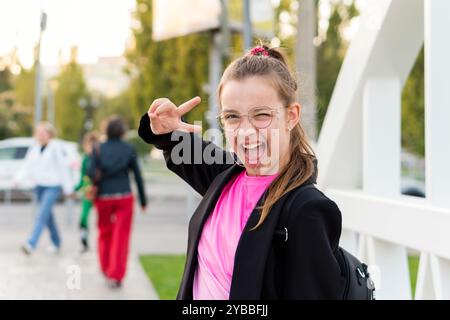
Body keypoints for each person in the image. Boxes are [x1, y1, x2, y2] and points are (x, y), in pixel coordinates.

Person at [138, 45, 344, 300]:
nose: (245, 132)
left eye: (261, 115)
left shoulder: (307, 209)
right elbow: (178, 146)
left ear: (291, 116)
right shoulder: (226, 176)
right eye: (232, 117)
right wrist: (165, 129)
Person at [89, 116, 147, 289]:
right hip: (124, 197)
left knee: (104, 233)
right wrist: (143, 200)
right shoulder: (129, 149)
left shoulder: (97, 148)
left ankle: (106, 269)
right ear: (122, 131)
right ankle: (116, 275)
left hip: (103, 197)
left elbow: (91, 173)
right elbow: (137, 176)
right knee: (121, 237)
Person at [13, 122, 73, 255]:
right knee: (47, 216)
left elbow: (63, 168)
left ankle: (31, 243)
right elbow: (27, 166)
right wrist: (18, 179)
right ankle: (57, 242)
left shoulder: (56, 148)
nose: (40, 135)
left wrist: (69, 189)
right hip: (39, 186)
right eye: (38, 132)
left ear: (50, 134)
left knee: (41, 214)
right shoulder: (34, 148)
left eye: (43, 132)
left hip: (53, 186)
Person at [74, 132, 98, 253]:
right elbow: (82, 177)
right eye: (88, 146)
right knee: (83, 217)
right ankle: (84, 240)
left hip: (99, 191)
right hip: (88, 192)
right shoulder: (85, 159)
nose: (90, 149)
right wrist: (76, 188)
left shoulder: (100, 157)